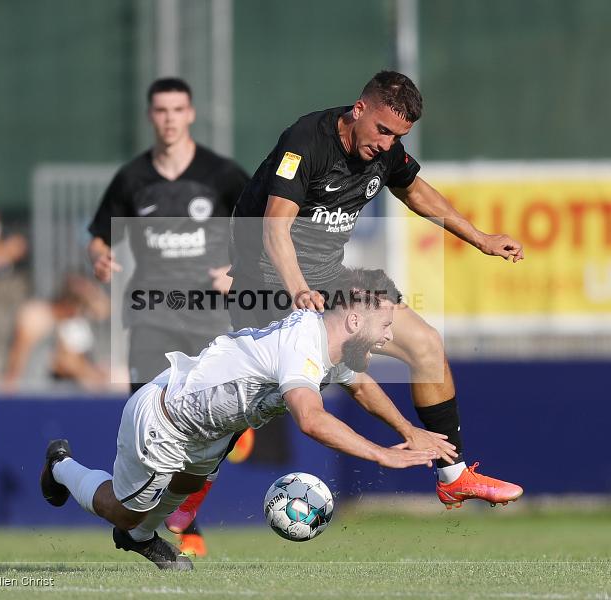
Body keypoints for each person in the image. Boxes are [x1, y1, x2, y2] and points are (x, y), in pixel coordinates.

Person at [226, 70, 525, 510]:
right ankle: (186, 493)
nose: (387, 144)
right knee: (245, 407)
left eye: (397, 136)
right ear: (359, 109)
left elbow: (417, 192)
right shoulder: (306, 140)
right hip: (267, 285)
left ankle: (453, 475)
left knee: (425, 344)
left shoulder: (384, 152)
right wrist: (298, 292)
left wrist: (479, 238)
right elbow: (275, 229)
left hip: (329, 282)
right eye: (383, 130)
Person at [40, 268, 456, 570]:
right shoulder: (303, 345)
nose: (388, 335)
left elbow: (362, 387)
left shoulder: (332, 347)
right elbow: (310, 420)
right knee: (125, 510)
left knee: (185, 486)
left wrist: (409, 430)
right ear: (353, 319)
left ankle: (140, 537)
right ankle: (62, 467)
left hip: (209, 433)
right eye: (384, 324)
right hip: (166, 420)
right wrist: (382, 454)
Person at [87, 77, 250, 555]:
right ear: (150, 115)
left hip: (208, 319)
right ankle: (167, 525)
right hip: (149, 315)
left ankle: (188, 516)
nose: (170, 119)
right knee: (150, 430)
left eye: (178, 109)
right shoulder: (132, 178)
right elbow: (99, 236)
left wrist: (238, 269)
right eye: (161, 110)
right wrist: (98, 257)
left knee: (212, 428)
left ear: (192, 114)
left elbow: (263, 226)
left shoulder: (222, 175)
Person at [2, 273, 114, 391]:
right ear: (71, 304)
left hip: (48, 392)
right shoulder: (37, 315)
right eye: (82, 308)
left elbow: (103, 309)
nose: (82, 313)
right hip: (29, 390)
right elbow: (17, 359)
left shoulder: (70, 323)